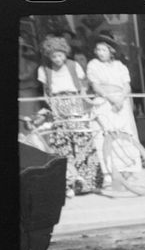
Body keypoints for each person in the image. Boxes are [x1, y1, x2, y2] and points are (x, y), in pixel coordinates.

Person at [36, 35, 103, 196]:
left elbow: (82, 88)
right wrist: (52, 106)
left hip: (75, 102)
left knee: (82, 140)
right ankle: (68, 184)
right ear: (49, 56)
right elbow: (46, 91)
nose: (58, 59)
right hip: (57, 104)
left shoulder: (74, 65)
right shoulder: (44, 69)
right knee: (62, 143)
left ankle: (88, 182)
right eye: (54, 56)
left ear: (65, 54)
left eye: (60, 55)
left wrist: (87, 101)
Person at [86, 34, 140, 179]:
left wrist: (121, 99)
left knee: (124, 134)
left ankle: (128, 169)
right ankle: (109, 173)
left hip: (121, 103)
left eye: (104, 50)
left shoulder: (119, 66)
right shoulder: (93, 65)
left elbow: (126, 85)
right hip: (104, 102)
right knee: (107, 135)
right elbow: (96, 85)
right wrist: (110, 98)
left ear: (111, 51)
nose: (100, 53)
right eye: (98, 50)